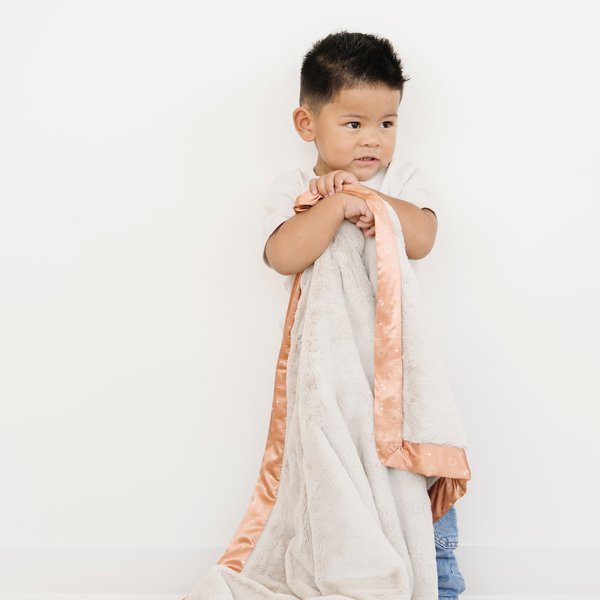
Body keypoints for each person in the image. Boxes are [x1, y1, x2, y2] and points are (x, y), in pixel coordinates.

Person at [261, 31, 466, 600]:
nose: (373, 139)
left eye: (387, 123)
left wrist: (372, 201)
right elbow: (283, 255)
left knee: (414, 471)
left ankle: (438, 581)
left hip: (397, 374)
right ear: (307, 124)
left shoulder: (401, 183)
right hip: (332, 382)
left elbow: (421, 237)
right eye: (354, 123)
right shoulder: (294, 190)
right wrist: (334, 204)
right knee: (341, 489)